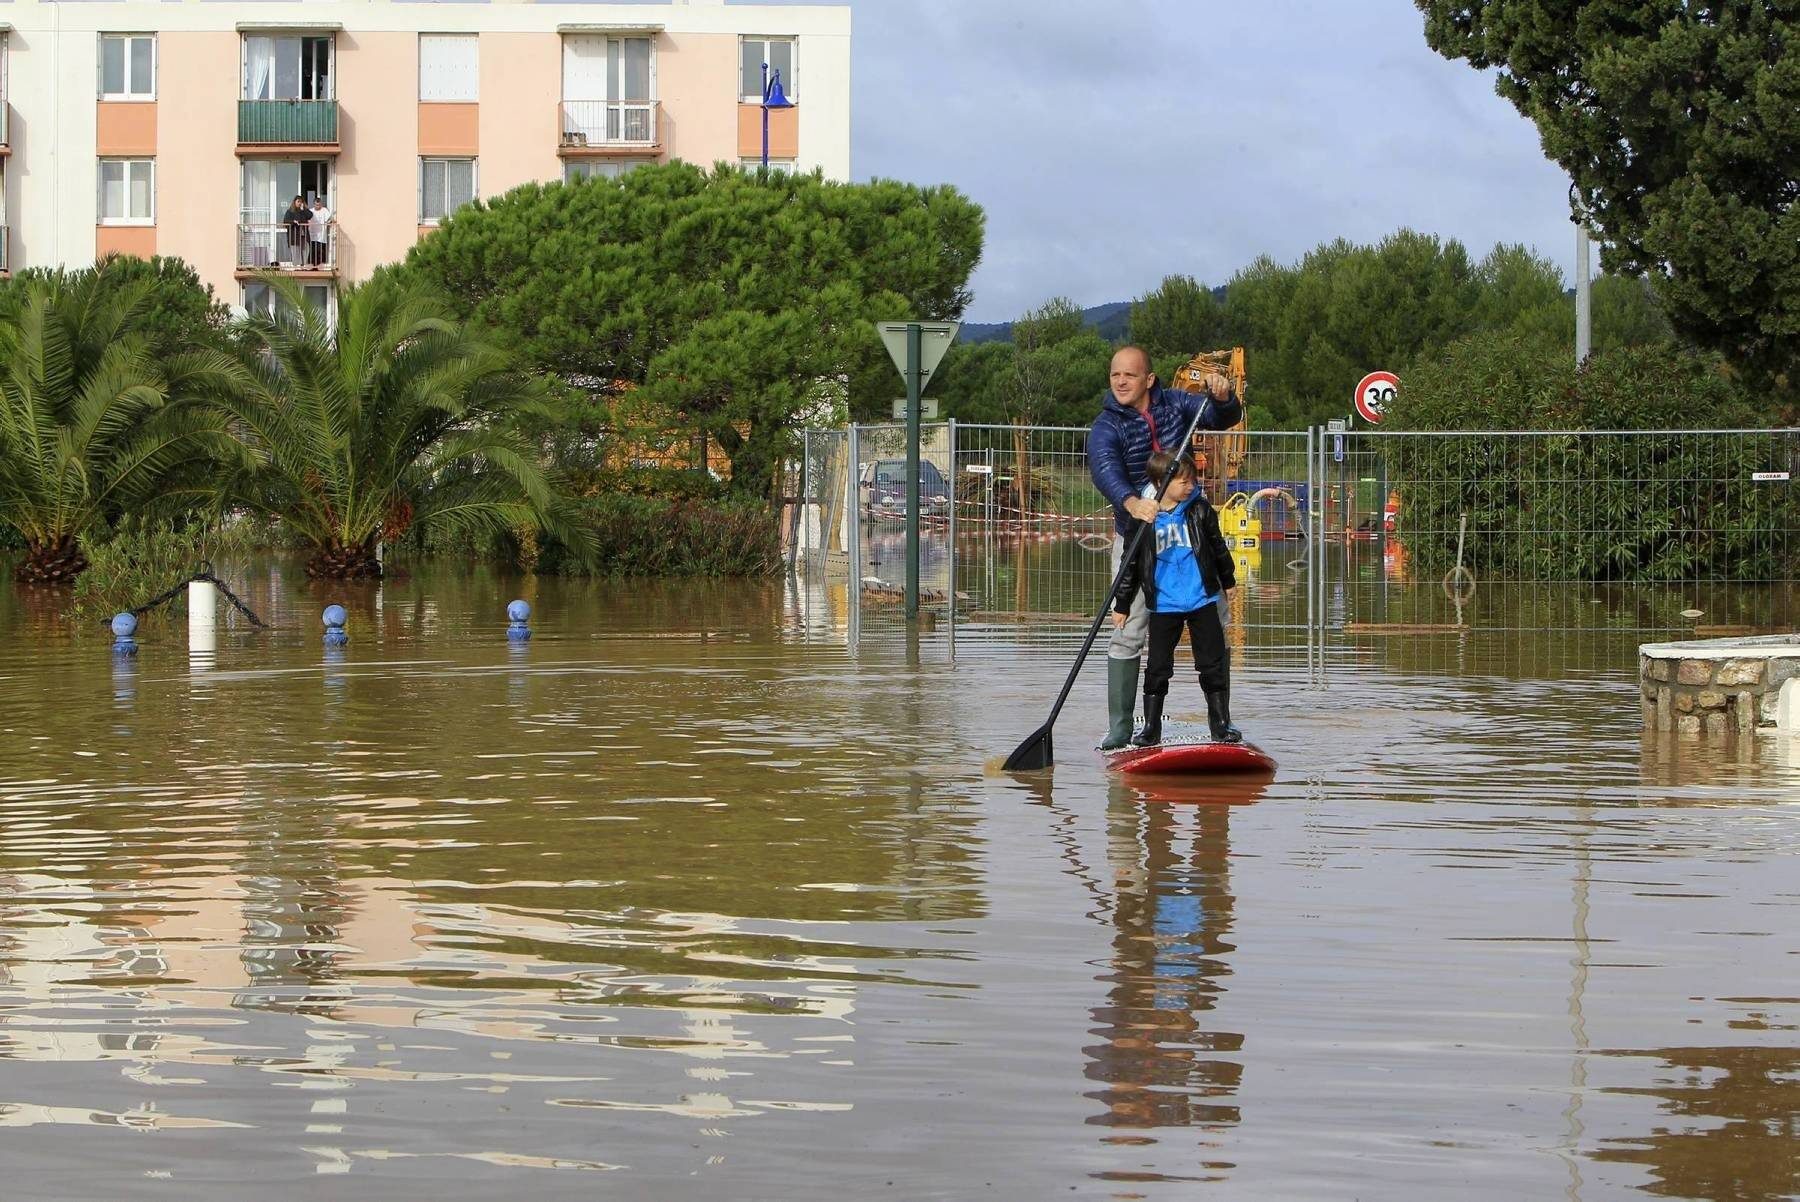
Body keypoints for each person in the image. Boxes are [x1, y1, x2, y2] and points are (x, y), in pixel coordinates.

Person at [1088, 346, 1240, 749]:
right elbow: (1104, 470)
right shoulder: (1106, 426)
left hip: (1193, 537)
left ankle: (1220, 722)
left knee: (1216, 624)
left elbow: (1222, 417)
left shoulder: (1175, 403)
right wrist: (1132, 502)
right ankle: (1122, 726)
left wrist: (1224, 396)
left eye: (1130, 376)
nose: (1120, 382)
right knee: (1129, 630)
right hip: (1140, 538)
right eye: (1115, 375)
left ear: (1149, 380)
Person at [1111, 450, 1239, 746]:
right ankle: (1151, 728)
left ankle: (1220, 724)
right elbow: (1129, 565)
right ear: (1161, 482)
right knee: (1157, 667)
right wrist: (1122, 604)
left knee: (1212, 662)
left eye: (1192, 480)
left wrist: (1228, 580)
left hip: (1201, 599)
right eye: (1183, 482)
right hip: (1164, 605)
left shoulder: (1201, 510)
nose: (1191, 487)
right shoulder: (1143, 520)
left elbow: (1218, 546)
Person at [282, 195, 312, 268]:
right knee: (295, 251)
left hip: (304, 235)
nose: (299, 203)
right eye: (298, 201)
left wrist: (303, 209)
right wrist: (293, 221)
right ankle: (297, 267)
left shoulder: (303, 211)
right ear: (294, 202)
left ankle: (304, 265)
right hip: (294, 235)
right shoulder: (290, 211)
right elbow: (285, 221)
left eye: (301, 202)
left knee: (306, 249)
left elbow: (310, 215)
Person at [307, 194, 333, 267]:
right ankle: (311, 265)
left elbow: (330, 219)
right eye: (316, 205)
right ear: (314, 204)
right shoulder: (310, 211)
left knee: (321, 250)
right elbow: (306, 218)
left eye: (319, 205)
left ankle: (320, 265)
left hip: (321, 235)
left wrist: (330, 222)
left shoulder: (324, 210)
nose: (317, 206)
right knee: (312, 250)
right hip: (312, 234)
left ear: (320, 204)